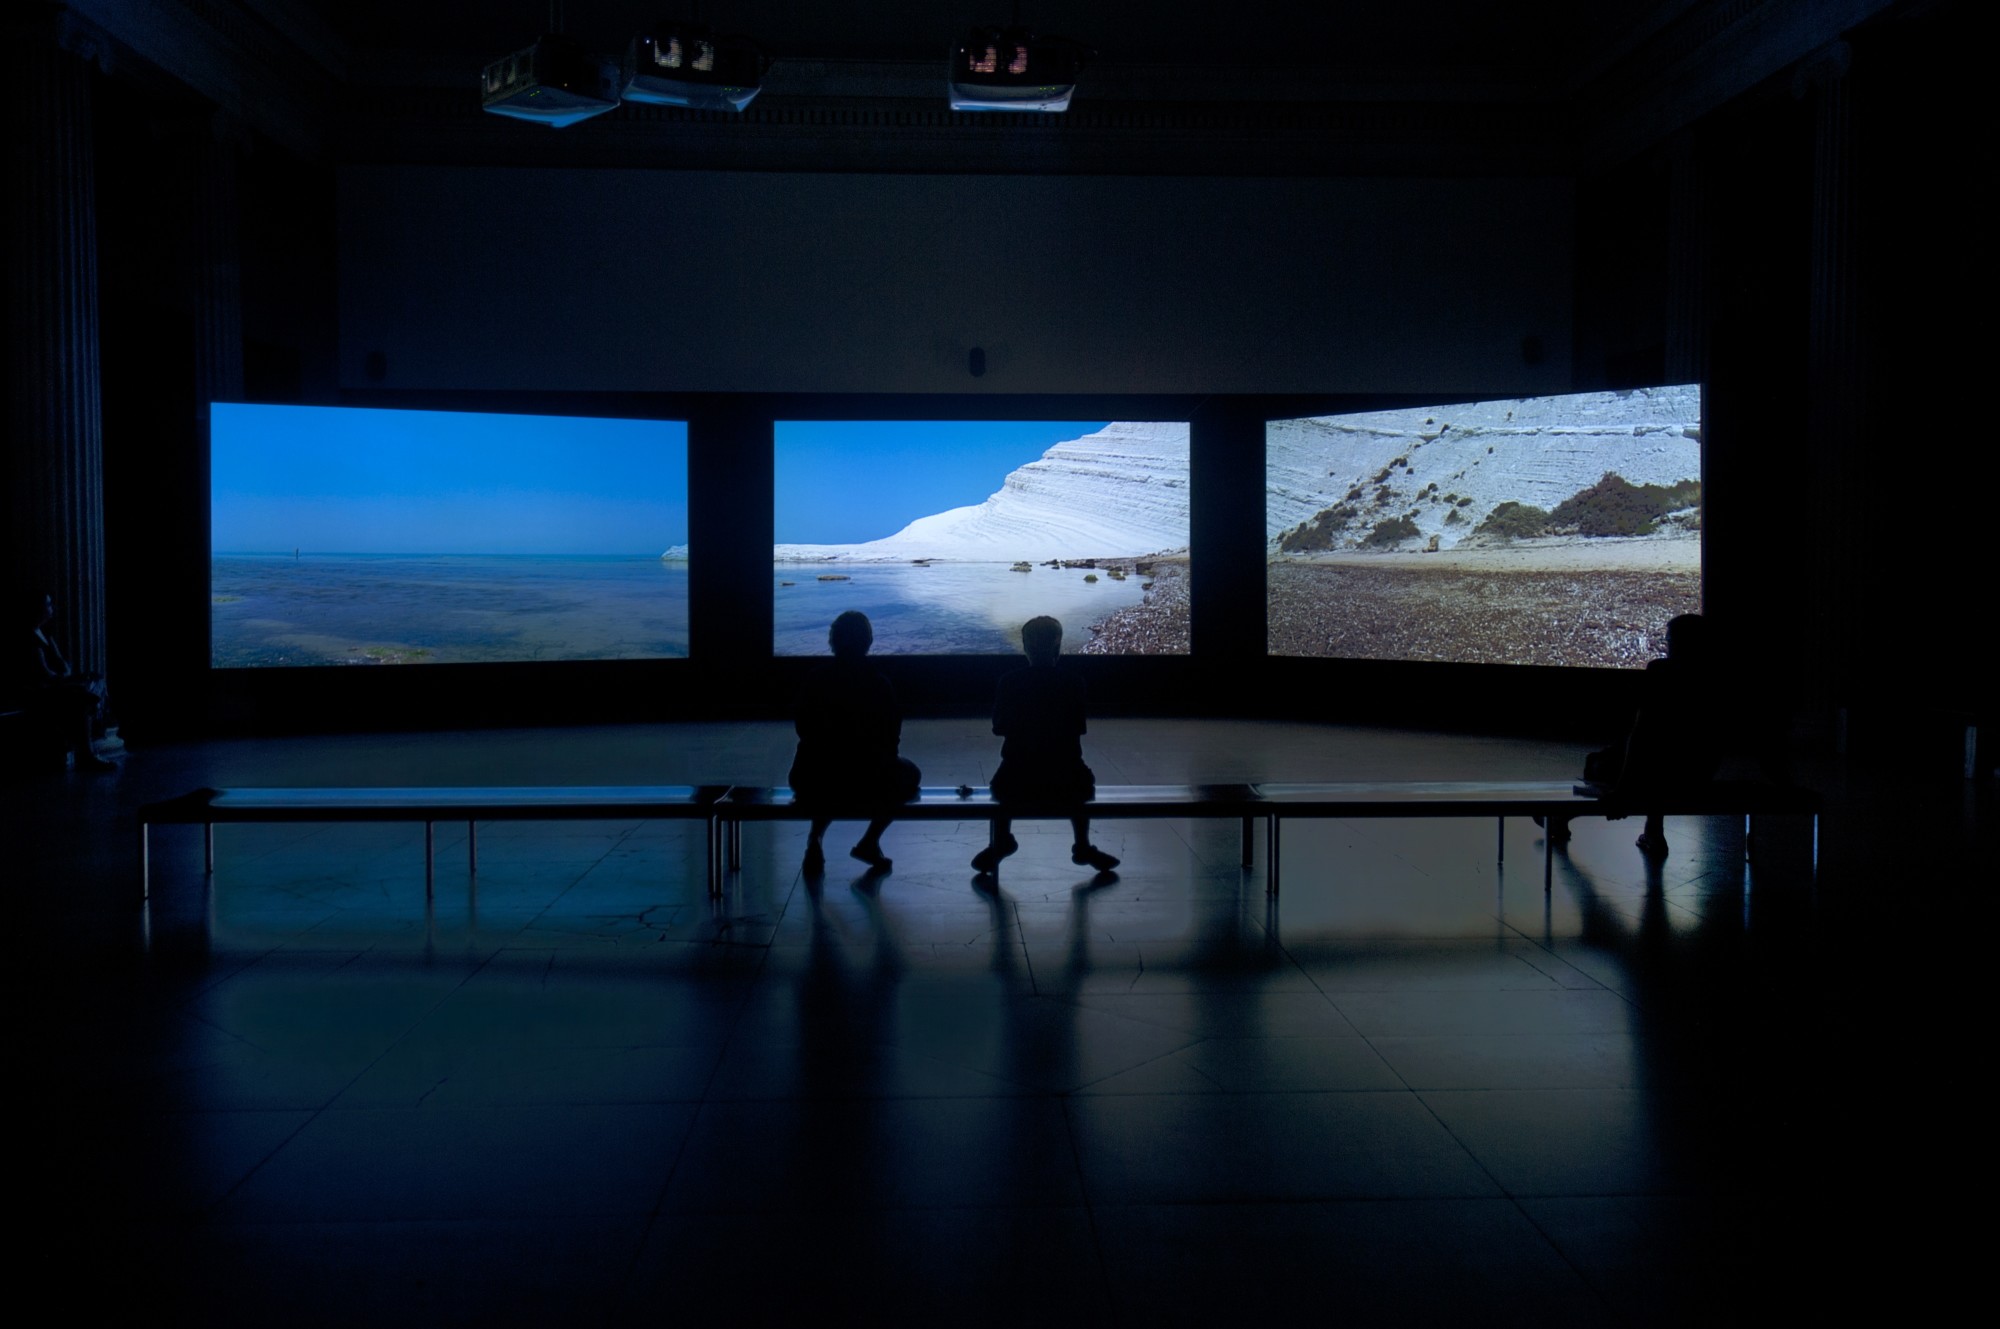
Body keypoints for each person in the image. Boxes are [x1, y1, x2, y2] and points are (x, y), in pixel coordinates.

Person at [1544, 613, 1719, 857]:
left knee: (1606, 766)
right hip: (1696, 774)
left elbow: (1643, 735)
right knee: (1657, 767)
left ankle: (1562, 817)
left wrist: (1623, 791)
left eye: (1668, 640)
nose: (1666, 646)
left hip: (1657, 775)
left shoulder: (1662, 672)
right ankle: (1652, 830)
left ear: (1678, 643)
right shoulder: (1719, 678)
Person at [972, 615, 1120, 875]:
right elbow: (1078, 729)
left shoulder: (1010, 681)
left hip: (1018, 773)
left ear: (1025, 646)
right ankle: (1082, 846)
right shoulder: (1073, 681)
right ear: (1058, 646)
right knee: (1082, 781)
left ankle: (1002, 841)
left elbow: (998, 728)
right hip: (1065, 773)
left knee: (1001, 785)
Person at [789, 610, 920, 873]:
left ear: (833, 641)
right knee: (909, 775)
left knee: (828, 768)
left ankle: (815, 839)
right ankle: (869, 841)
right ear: (867, 642)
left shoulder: (816, 679)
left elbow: (803, 729)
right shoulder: (879, 684)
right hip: (865, 778)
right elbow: (891, 739)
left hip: (810, 777)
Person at [9, 590, 117, 771]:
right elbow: (44, 673)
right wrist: (66, 678)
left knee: (95, 678)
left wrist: (68, 674)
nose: (52, 608)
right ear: (39, 608)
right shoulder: (30, 637)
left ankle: (94, 713)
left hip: (56, 681)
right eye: (48, 604)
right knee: (83, 695)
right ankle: (87, 753)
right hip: (41, 688)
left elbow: (62, 662)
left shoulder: (45, 633)